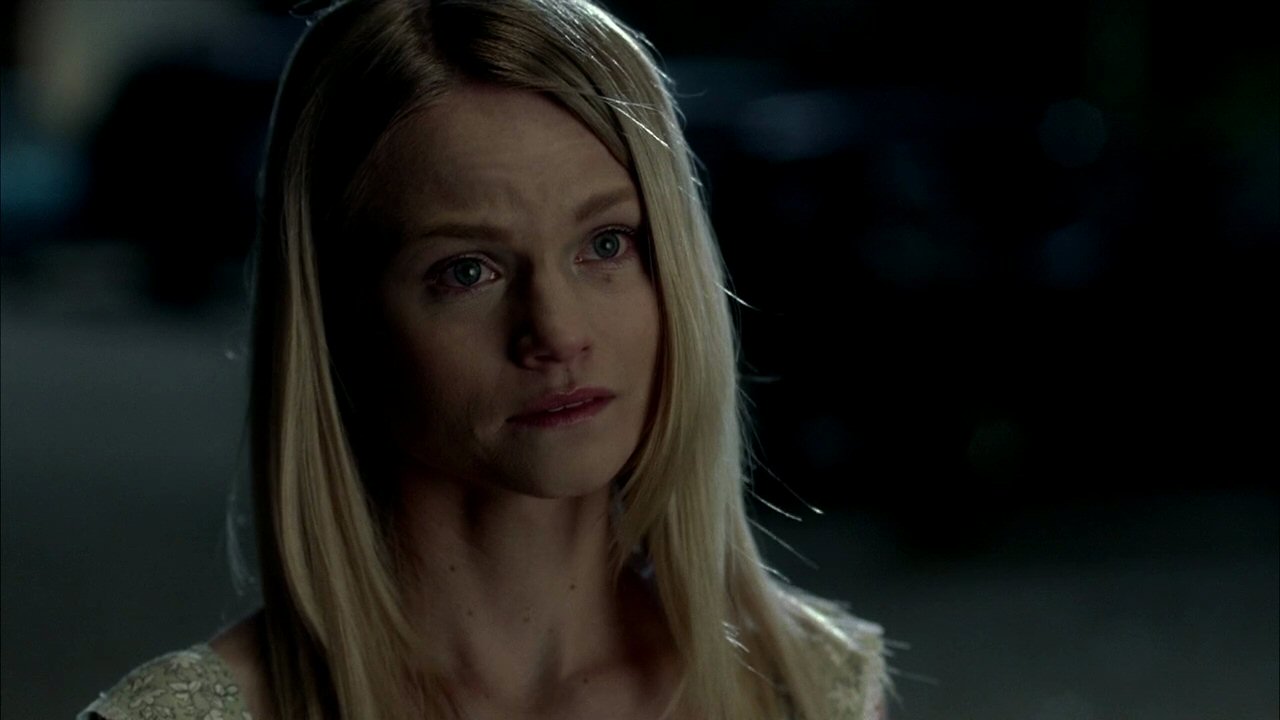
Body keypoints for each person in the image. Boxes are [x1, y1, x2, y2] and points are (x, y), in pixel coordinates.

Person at [78, 0, 888, 718]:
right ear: (334, 317)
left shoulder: (807, 689)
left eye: (607, 244)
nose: (557, 332)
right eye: (467, 270)